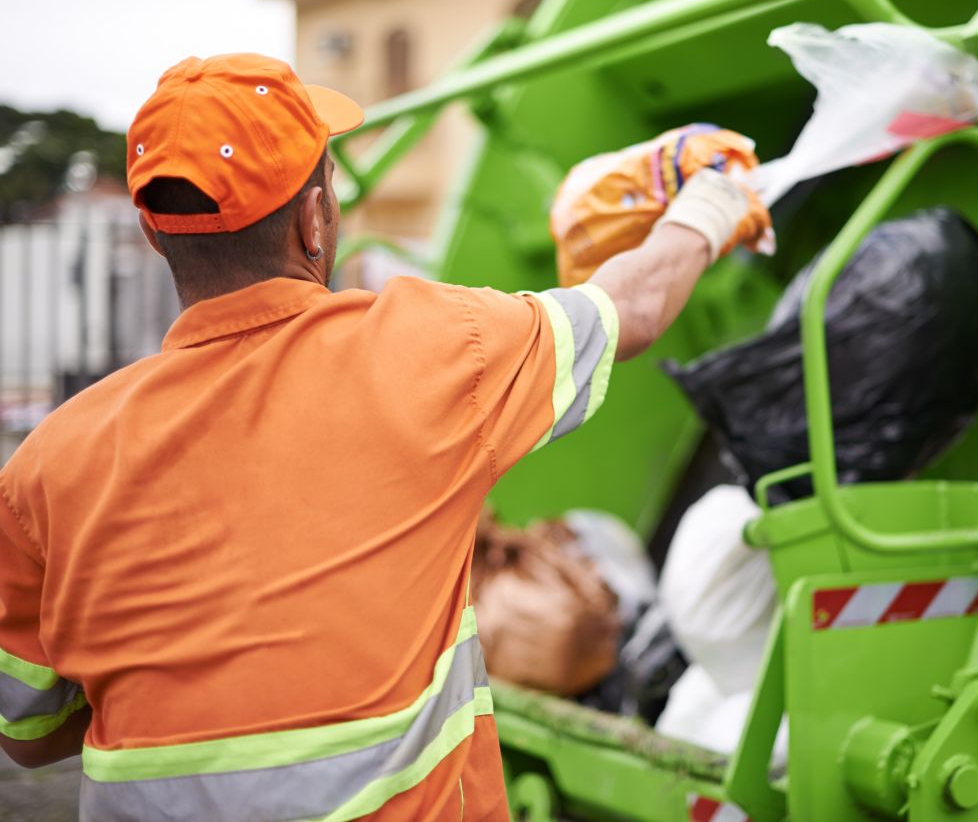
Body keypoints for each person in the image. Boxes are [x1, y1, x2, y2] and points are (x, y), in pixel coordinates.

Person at [0, 53, 768, 820]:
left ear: (154, 233)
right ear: (313, 219)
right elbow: (631, 306)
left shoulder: (46, 468)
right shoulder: (434, 350)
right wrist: (711, 201)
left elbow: (28, 731)